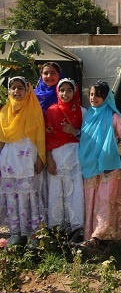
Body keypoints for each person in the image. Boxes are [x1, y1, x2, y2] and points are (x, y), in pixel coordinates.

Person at [78, 81, 121, 250]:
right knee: (91, 201)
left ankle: (100, 237)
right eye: (92, 94)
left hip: (109, 168)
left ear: (106, 97)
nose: (94, 98)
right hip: (90, 167)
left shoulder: (113, 116)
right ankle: (91, 237)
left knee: (105, 202)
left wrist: (112, 149)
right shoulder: (88, 116)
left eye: (99, 95)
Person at [0, 77, 46, 247]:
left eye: (21, 88)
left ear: (27, 91)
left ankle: (32, 234)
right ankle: (15, 233)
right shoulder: (4, 112)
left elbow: (40, 137)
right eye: (13, 88)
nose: (17, 91)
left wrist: (41, 159)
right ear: (9, 91)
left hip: (27, 160)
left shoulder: (34, 110)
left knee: (29, 198)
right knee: (11, 198)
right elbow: (1, 139)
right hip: (8, 161)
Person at [44, 78, 85, 243]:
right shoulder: (51, 112)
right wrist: (48, 158)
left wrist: (75, 131)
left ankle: (76, 227)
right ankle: (57, 228)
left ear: (74, 92)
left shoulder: (82, 112)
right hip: (56, 157)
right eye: (62, 90)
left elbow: (88, 137)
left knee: (75, 191)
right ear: (57, 92)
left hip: (75, 156)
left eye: (69, 90)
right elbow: (46, 137)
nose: (65, 94)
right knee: (56, 191)